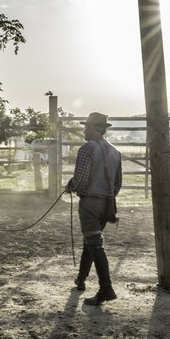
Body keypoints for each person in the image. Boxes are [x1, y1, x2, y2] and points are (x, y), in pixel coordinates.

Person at [65, 112, 123, 306]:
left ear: (92, 129)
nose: (84, 131)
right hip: (107, 204)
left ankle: (106, 288)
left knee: (95, 244)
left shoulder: (86, 148)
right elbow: (117, 183)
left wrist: (72, 186)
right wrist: (107, 195)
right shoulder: (115, 151)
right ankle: (81, 280)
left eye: (86, 127)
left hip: (89, 203)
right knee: (91, 242)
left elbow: (81, 179)